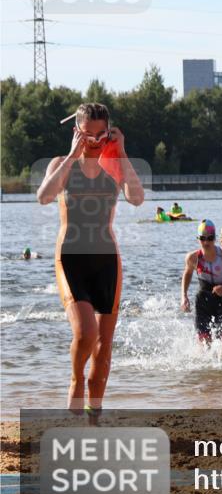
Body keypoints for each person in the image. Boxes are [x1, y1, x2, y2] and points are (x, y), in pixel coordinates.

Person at [36, 102, 145, 415]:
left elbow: (137, 198)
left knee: (103, 346)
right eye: (88, 135)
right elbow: (44, 196)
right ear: (76, 132)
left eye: (101, 135)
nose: (95, 141)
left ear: (109, 133)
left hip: (107, 261)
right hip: (70, 259)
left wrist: (121, 152)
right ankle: (75, 379)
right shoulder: (62, 163)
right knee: (86, 333)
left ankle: (93, 419)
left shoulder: (114, 165)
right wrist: (73, 154)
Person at [181, 220, 222, 348]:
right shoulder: (193, 258)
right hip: (203, 302)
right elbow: (187, 274)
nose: (206, 242)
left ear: (215, 238)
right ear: (198, 239)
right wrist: (184, 296)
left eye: (210, 238)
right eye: (202, 238)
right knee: (204, 345)